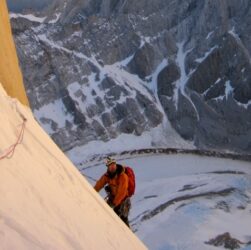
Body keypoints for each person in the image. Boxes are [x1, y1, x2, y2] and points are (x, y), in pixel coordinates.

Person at [94, 157, 131, 227]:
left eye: (113, 165)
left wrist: (114, 203)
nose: (112, 167)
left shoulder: (123, 176)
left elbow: (122, 192)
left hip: (123, 200)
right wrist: (93, 192)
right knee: (110, 214)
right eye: (110, 166)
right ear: (108, 167)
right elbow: (99, 184)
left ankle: (127, 235)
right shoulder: (107, 176)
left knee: (123, 219)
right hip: (114, 198)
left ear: (116, 165)